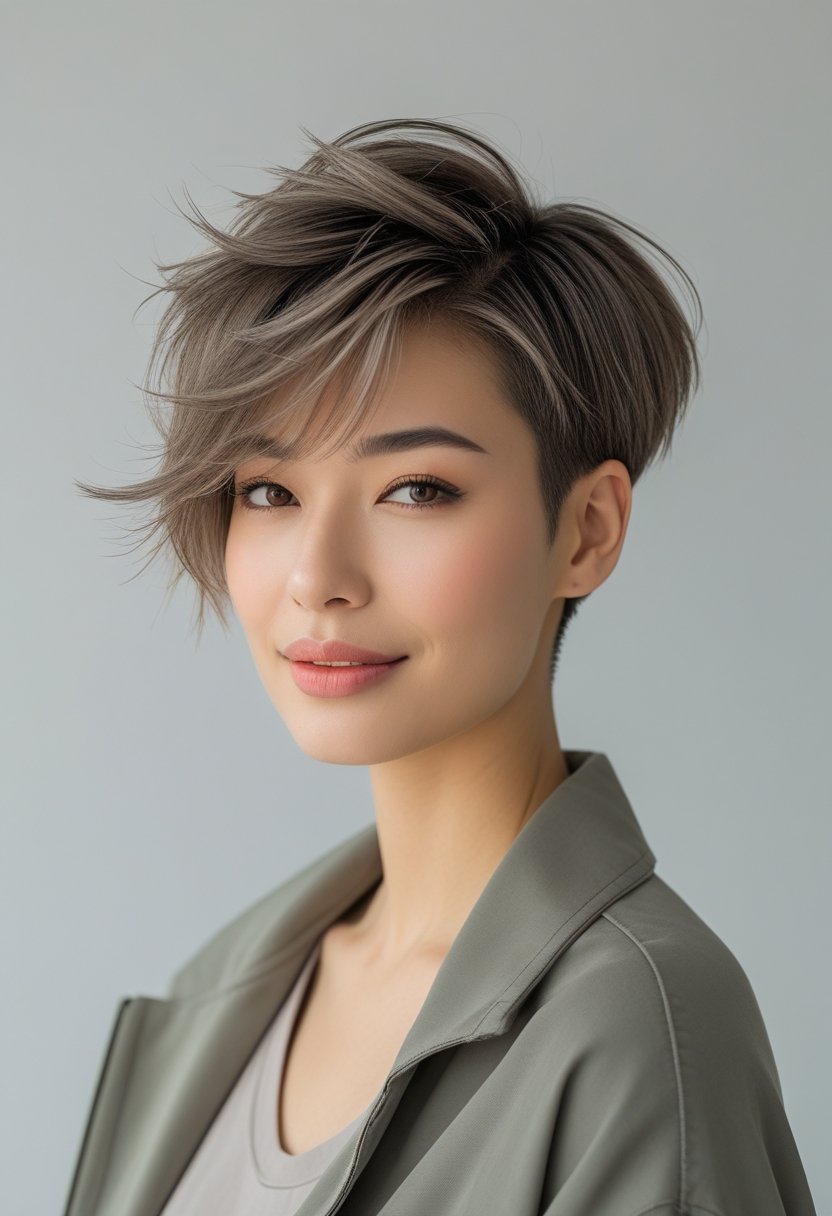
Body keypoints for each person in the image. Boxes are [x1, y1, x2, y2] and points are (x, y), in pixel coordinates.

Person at [64, 117, 817, 1216]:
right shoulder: (217, 999)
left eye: (416, 488)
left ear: (587, 531)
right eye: (269, 491)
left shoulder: (637, 1025)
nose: (319, 574)